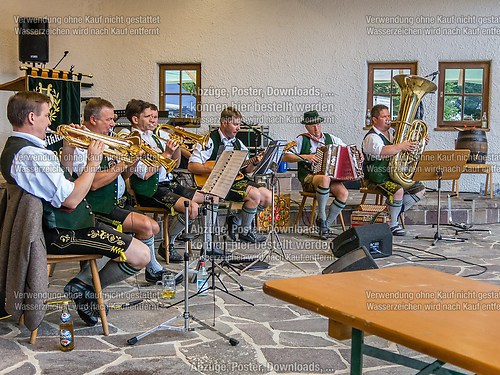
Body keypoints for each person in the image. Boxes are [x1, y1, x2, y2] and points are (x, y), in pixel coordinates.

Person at [0, 91, 150, 326]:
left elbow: (66, 180)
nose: (50, 121)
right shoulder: (32, 156)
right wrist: (92, 162)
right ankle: (83, 286)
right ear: (31, 117)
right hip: (61, 231)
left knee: (138, 245)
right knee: (141, 256)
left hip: (66, 223)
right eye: (47, 116)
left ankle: (82, 285)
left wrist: (69, 150)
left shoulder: (21, 149)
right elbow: (71, 199)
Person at [68, 98, 179, 284]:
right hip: (95, 206)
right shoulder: (80, 141)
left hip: (113, 202)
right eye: (109, 119)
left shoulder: (107, 138)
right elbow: (93, 183)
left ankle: (151, 269)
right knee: (145, 226)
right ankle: (87, 280)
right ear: (93, 120)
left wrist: (132, 161)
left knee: (152, 226)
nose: (113, 124)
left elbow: (125, 175)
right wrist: (122, 164)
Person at [126, 99, 223, 261]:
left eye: (155, 117)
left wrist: (176, 146)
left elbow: (175, 164)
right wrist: (166, 154)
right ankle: (167, 244)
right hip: (150, 190)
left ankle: (208, 245)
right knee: (191, 208)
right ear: (136, 120)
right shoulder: (132, 140)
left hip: (168, 184)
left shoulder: (157, 135)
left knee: (212, 198)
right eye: (148, 117)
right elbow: (145, 174)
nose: (154, 120)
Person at [188, 107, 272, 243]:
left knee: (267, 196)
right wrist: (215, 169)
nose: (238, 128)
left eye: (239, 124)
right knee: (255, 194)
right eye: (235, 124)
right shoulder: (209, 140)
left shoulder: (238, 143)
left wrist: (254, 162)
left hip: (236, 180)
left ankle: (236, 220)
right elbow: (192, 166)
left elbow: (247, 171)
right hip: (216, 183)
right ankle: (245, 232)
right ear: (224, 123)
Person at [282, 110, 350, 240]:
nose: (316, 128)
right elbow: (285, 156)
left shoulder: (331, 138)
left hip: (331, 178)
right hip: (309, 178)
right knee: (324, 179)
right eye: (312, 126)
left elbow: (346, 150)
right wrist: (305, 157)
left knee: (344, 193)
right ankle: (322, 215)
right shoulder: (301, 139)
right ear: (306, 127)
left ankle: (325, 225)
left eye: (318, 124)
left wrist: (358, 154)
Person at [361, 104, 426, 236]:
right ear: (374, 120)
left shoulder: (393, 134)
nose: (388, 119)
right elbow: (382, 151)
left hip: (392, 174)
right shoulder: (371, 137)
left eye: (389, 116)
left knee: (420, 189)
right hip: (376, 177)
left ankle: (391, 213)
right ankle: (393, 225)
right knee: (398, 190)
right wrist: (402, 146)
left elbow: (405, 150)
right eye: (384, 117)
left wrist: (418, 142)